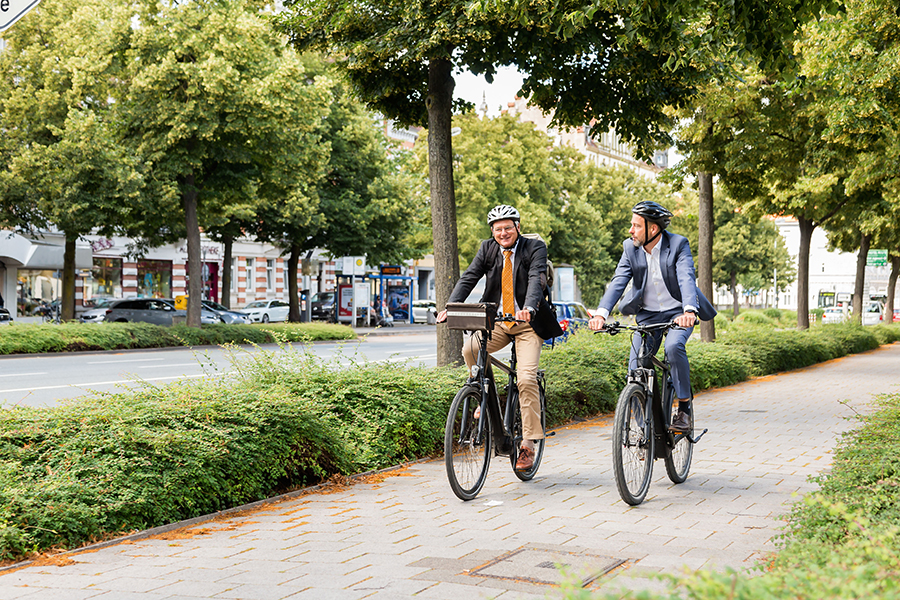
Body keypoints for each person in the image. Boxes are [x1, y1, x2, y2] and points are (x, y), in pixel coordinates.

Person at [436, 205, 563, 470]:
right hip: (497, 321)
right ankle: (484, 396)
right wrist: (451, 306)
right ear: (492, 232)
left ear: (518, 227)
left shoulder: (534, 248)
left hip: (528, 323)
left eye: (507, 227)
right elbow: (469, 277)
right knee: (470, 349)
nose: (503, 233)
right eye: (497, 229)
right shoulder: (488, 249)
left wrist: (528, 308)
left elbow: (536, 278)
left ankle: (528, 443)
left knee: (526, 378)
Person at [588, 201, 717, 432]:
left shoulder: (678, 244)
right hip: (647, 316)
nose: (631, 230)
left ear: (653, 229)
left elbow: (686, 277)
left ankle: (684, 409)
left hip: (678, 313)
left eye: (636, 226)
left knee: (674, 347)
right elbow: (619, 281)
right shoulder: (630, 248)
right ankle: (643, 433)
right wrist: (601, 314)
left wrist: (689, 310)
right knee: (635, 367)